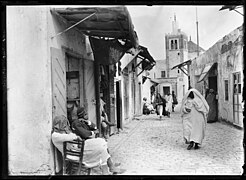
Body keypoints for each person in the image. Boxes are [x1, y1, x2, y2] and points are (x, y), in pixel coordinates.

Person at [51, 115, 125, 175]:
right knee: (101, 148)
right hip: (77, 153)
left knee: (101, 142)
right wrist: (75, 136)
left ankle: (110, 166)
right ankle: (108, 169)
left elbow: (71, 136)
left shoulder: (61, 133)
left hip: (78, 148)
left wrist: (73, 135)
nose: (65, 126)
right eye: (63, 124)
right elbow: (72, 136)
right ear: (58, 125)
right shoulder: (55, 135)